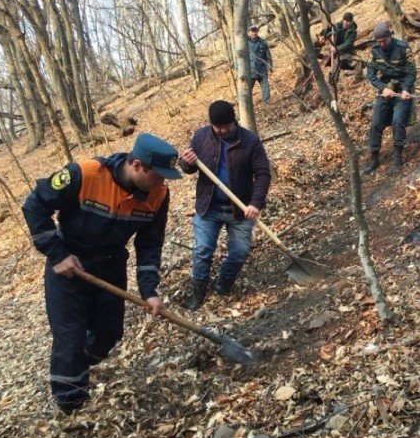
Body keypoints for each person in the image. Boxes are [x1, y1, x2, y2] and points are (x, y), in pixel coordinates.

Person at [22, 133, 181, 415]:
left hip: (111, 265)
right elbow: (34, 205)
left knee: (109, 333)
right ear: (136, 165)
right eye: (157, 175)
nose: (162, 182)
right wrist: (58, 255)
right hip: (69, 266)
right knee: (69, 335)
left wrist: (149, 291)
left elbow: (150, 243)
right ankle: (72, 405)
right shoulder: (83, 174)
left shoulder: (158, 195)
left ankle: (79, 363)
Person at [178, 100, 271, 310]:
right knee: (202, 250)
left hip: (240, 210)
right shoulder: (201, 136)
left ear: (234, 122)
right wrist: (186, 161)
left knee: (239, 253)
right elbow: (187, 168)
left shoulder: (250, 141)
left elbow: (263, 174)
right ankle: (198, 291)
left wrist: (255, 203)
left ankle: (223, 284)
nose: (221, 131)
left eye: (225, 126)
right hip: (208, 207)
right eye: (217, 127)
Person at [363, 22, 417, 174]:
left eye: (384, 41)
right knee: (375, 124)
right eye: (378, 41)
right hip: (386, 89)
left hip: (401, 88)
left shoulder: (402, 48)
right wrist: (382, 88)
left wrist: (406, 89)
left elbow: (412, 72)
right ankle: (374, 158)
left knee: (397, 120)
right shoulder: (374, 51)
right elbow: (371, 74)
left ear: (389, 36)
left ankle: (398, 157)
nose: (381, 44)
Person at [320, 12, 359, 77]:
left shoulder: (353, 31)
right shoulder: (337, 26)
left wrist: (336, 48)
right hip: (335, 54)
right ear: (343, 20)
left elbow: (348, 44)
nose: (348, 23)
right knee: (334, 69)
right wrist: (323, 35)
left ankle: (358, 78)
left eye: (350, 21)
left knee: (358, 61)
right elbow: (328, 29)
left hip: (347, 53)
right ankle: (332, 84)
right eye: (346, 21)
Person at [248, 26, 273, 104]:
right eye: (252, 31)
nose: (254, 33)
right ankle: (247, 106)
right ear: (249, 32)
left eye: (255, 31)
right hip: (250, 72)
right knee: (247, 90)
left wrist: (269, 68)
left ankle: (267, 103)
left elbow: (268, 57)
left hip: (262, 70)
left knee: (266, 87)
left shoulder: (263, 42)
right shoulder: (245, 43)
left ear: (257, 32)